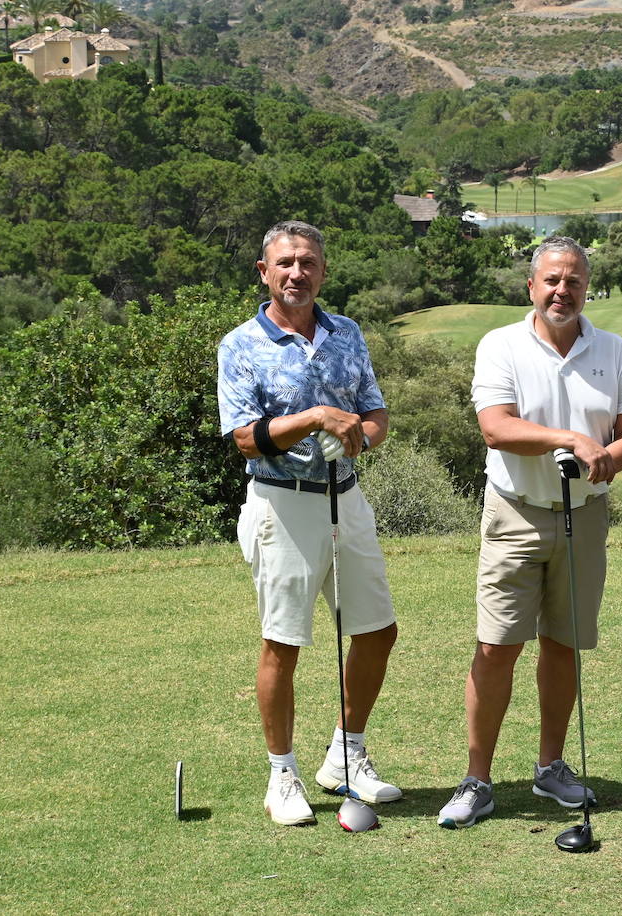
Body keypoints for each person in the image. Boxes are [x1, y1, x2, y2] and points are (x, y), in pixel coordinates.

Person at [437, 236, 622, 829]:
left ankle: (550, 766)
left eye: (574, 280)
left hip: (586, 515)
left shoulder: (612, 349)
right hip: (516, 512)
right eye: (552, 280)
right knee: (496, 645)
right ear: (532, 286)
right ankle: (478, 779)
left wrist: (612, 456)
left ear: (587, 287)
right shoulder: (500, 345)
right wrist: (575, 440)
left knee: (564, 645)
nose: (563, 290)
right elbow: (496, 428)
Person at [217, 220, 401, 827]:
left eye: (309, 263)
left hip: (345, 496)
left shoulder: (346, 332)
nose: (298, 273)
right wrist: (318, 417)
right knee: (284, 642)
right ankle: (282, 774)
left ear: (323, 271)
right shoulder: (240, 344)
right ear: (265, 273)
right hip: (281, 503)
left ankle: (345, 757)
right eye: (286, 263)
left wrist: (358, 440)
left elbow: (373, 412)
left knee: (377, 630)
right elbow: (246, 439)